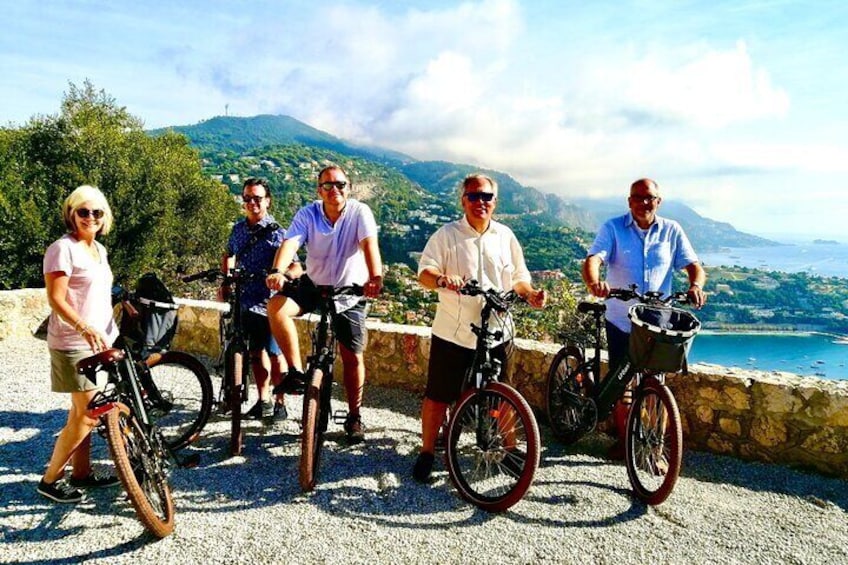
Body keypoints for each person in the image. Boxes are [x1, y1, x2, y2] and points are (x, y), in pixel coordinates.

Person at [412, 174, 547, 483]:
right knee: (438, 395)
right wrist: (443, 280)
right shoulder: (446, 235)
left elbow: (519, 277)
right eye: (473, 196)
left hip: (499, 329)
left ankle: (509, 450)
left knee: (505, 394)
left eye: (486, 197)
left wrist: (529, 294)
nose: (480, 202)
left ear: (495, 202)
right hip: (455, 330)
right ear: (463, 201)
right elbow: (425, 272)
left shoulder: (506, 236)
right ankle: (427, 452)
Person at [582, 177, 706, 458]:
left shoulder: (672, 230)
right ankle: (625, 444)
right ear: (629, 201)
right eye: (637, 197)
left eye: (649, 197)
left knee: (657, 386)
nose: (643, 202)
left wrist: (696, 286)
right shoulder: (613, 227)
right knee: (622, 386)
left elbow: (693, 265)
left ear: (658, 202)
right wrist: (595, 282)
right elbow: (594, 259)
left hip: (657, 323)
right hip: (621, 319)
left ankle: (654, 450)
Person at [266, 165, 383, 444]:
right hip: (314, 285)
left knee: (352, 356)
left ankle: (354, 416)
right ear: (319, 190)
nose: (335, 190)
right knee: (276, 308)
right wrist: (278, 271)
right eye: (328, 185)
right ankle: (296, 372)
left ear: (349, 187)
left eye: (340, 184)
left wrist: (375, 277)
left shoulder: (359, 212)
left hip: (349, 291)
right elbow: (291, 243)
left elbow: (370, 245)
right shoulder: (308, 213)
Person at [38, 185, 121, 503]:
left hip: (100, 340)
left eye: (96, 212)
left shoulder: (99, 250)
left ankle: (82, 474)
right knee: (89, 413)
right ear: (71, 214)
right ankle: (50, 479)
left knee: (80, 413)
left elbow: (95, 292)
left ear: (104, 218)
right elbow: (56, 299)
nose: (90, 217)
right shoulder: (62, 249)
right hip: (73, 342)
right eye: (83, 211)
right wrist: (83, 326)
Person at [223, 178, 301, 422]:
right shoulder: (238, 230)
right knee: (256, 353)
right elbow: (228, 254)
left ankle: (280, 403)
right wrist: (225, 280)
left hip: (268, 302)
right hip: (245, 300)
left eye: (257, 198)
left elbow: (297, 265)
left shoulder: (278, 233)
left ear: (267, 201)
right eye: (247, 198)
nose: (252, 203)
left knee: (275, 354)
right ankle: (263, 399)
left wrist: (283, 276)